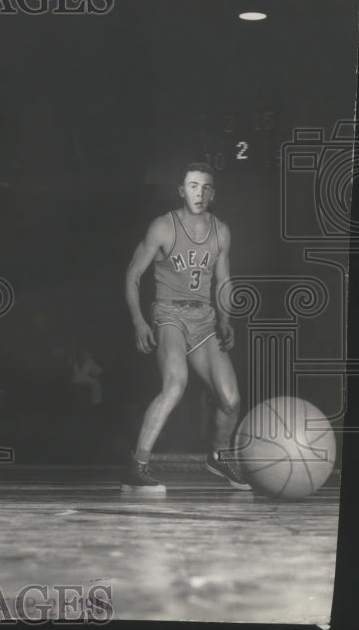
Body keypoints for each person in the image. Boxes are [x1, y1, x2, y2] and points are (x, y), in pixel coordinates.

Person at [121, 163, 250, 493]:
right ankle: (137, 467)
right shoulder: (163, 227)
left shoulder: (221, 231)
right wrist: (138, 321)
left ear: (213, 193)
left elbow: (224, 281)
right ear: (182, 190)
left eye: (206, 187)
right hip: (169, 315)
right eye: (193, 186)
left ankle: (218, 457)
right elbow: (133, 276)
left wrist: (225, 320)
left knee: (231, 400)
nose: (200, 193)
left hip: (204, 320)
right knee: (175, 384)